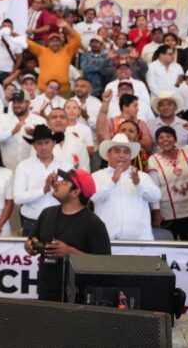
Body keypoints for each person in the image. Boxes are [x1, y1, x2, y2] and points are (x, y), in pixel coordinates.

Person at [25, 169, 111, 302]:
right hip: (46, 293)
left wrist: (69, 253)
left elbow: (104, 264)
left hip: (76, 299)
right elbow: (31, 241)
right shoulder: (46, 213)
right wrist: (30, 245)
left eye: (64, 183)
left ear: (75, 192)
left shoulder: (94, 224)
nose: (57, 184)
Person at [92, 133, 162, 240]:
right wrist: (113, 180)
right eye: (117, 151)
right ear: (108, 154)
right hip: (108, 241)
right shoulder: (97, 176)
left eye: (126, 152)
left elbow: (156, 196)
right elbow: (95, 197)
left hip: (140, 241)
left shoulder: (142, 176)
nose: (122, 155)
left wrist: (138, 184)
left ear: (130, 156)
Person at [13, 125, 71, 237]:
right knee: (30, 248)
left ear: (54, 143)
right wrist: (43, 190)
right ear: (34, 146)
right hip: (32, 221)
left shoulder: (66, 166)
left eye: (47, 142)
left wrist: (57, 188)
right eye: (39, 143)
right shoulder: (24, 166)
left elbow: (71, 196)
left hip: (59, 221)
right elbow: (18, 198)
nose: (43, 147)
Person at [147, 127, 188, 241]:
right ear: (157, 142)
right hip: (168, 213)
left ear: (175, 139)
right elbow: (154, 187)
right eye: (161, 137)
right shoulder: (153, 159)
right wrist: (156, 211)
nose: (165, 139)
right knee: (171, 246)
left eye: (168, 136)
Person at [26, 22, 81, 95]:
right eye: (52, 41)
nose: (55, 43)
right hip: (44, 90)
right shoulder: (41, 51)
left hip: (63, 91)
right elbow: (25, 42)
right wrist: (13, 34)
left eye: (57, 41)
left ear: (61, 43)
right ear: (48, 43)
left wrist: (67, 26)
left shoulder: (67, 51)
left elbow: (77, 39)